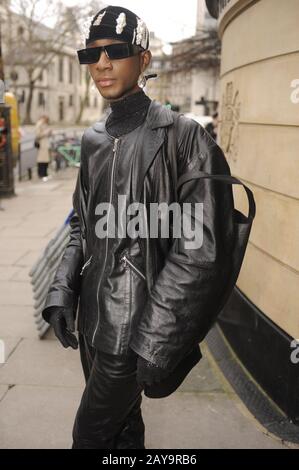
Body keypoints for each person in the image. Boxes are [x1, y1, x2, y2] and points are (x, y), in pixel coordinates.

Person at [41, 5, 234, 449]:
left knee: (88, 437)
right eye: (91, 55)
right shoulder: (91, 140)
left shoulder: (185, 138)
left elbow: (201, 251)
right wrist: (61, 292)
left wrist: (157, 337)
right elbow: (80, 227)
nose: (102, 64)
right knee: (124, 430)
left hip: (135, 331)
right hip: (92, 321)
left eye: (115, 51)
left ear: (143, 59)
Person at [35, 115, 52, 181]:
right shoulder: (39, 124)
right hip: (42, 144)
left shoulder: (44, 124)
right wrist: (46, 132)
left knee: (46, 160)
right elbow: (38, 134)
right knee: (41, 160)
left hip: (45, 144)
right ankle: (41, 174)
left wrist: (49, 132)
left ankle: (45, 174)